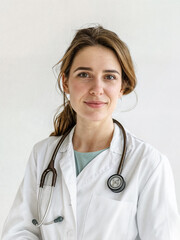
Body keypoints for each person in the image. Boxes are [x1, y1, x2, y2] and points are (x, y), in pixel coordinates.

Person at [1, 25, 180, 240]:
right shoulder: (43, 155)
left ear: (122, 86)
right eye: (84, 74)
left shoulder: (148, 163)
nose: (97, 88)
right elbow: (19, 232)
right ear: (66, 82)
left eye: (110, 77)